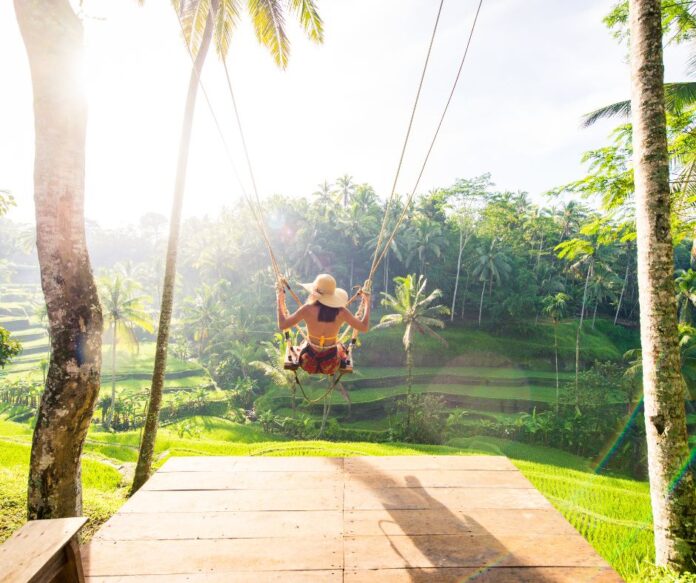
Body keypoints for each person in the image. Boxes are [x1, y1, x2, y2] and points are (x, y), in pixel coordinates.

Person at [276, 273, 370, 374]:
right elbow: (364, 327)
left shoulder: (307, 309)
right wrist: (367, 303)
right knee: (341, 347)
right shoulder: (342, 312)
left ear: (314, 293)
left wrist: (279, 301)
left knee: (303, 343)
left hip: (307, 362)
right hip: (331, 364)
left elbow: (283, 325)